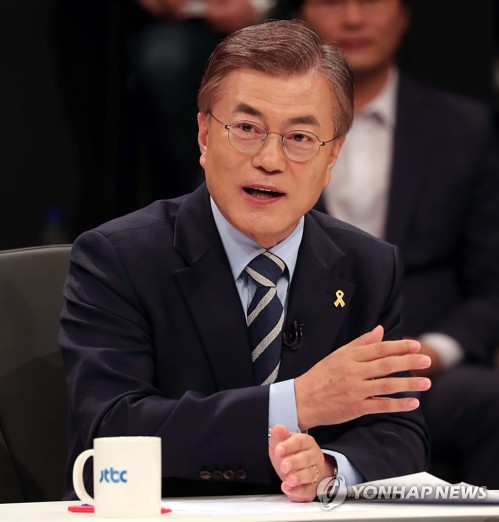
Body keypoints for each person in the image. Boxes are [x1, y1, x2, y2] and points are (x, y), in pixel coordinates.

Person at [59, 20, 431, 502]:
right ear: (204, 136)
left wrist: (328, 468)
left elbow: (401, 432)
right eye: (247, 129)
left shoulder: (369, 266)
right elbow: (111, 427)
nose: (270, 160)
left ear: (332, 156)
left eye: (300, 137)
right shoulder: (118, 258)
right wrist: (297, 403)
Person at [291, 0, 499, 487]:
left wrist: (430, 353)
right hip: (296, 370)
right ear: (299, 17)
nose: (354, 19)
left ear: (404, 16)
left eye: (372, 2)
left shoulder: (465, 128)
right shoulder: (268, 130)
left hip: (423, 374)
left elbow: (493, 283)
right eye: (332, 2)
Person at [129, 0, 280, 202]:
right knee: (164, 57)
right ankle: (195, 195)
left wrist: (259, 6)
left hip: (267, 18)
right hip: (174, 26)